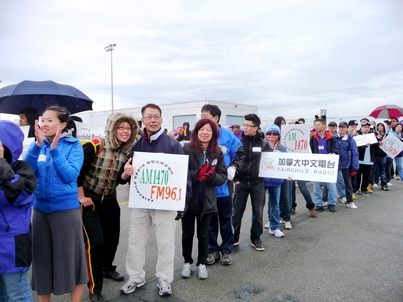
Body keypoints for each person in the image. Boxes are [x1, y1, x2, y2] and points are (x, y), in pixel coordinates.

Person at [120, 103, 191, 297]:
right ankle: (135, 276)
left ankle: (164, 278)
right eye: (149, 116)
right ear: (142, 119)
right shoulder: (135, 144)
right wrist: (126, 172)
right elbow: (123, 173)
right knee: (135, 241)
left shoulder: (172, 144)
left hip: (165, 203)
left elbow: (184, 176)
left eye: (156, 116)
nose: (153, 120)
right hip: (140, 202)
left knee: (166, 243)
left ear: (161, 119)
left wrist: (183, 201)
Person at [24, 106, 87, 302]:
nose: (44, 123)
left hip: (66, 212)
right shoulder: (38, 146)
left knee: (71, 260)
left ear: (62, 125)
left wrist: (55, 150)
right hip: (41, 211)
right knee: (42, 262)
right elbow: (27, 173)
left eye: (50, 120)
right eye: (43, 120)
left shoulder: (73, 145)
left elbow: (70, 175)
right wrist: (36, 146)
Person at [78, 113, 138, 301]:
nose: (125, 131)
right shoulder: (95, 145)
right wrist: (81, 197)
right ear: (112, 128)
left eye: (128, 128)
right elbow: (77, 173)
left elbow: (119, 180)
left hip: (110, 200)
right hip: (90, 201)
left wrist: (126, 174)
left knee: (112, 239)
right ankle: (94, 289)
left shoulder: (126, 151)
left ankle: (107, 268)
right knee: (95, 242)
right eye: (121, 127)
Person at [180, 118, 227, 280]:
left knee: (204, 234)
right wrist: (196, 174)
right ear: (196, 131)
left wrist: (211, 176)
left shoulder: (218, 152)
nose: (205, 132)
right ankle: (187, 262)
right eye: (202, 129)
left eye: (209, 130)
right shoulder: (186, 149)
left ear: (213, 133)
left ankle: (201, 263)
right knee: (187, 233)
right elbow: (180, 173)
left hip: (207, 200)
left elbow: (223, 176)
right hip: (188, 199)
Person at [200, 104, 244, 266]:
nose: (202, 119)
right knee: (209, 221)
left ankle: (226, 251)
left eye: (205, 115)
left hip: (225, 187)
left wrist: (233, 168)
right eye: (201, 115)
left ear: (215, 118)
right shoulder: (201, 134)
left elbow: (240, 154)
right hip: (206, 187)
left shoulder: (227, 135)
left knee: (226, 220)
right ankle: (212, 251)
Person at [0, 120, 37, 302]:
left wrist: (0, 163)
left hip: (13, 246)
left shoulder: (22, 170)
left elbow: (16, 194)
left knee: (17, 297)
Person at [233, 113, 270, 251]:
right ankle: (234, 236)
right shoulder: (238, 143)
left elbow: (272, 162)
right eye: (245, 125)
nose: (246, 128)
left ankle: (255, 238)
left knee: (258, 212)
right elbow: (232, 160)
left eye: (249, 125)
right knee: (237, 212)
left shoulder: (264, 144)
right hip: (241, 182)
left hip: (257, 183)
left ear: (256, 128)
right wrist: (235, 178)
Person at [309, 118, 342, 211]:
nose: (316, 127)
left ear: (324, 125)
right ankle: (318, 203)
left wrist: (334, 153)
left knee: (331, 185)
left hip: (328, 164)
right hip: (316, 164)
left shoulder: (331, 137)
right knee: (316, 185)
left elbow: (336, 149)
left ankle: (332, 203)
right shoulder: (313, 138)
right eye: (315, 125)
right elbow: (310, 150)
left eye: (318, 125)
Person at [263, 124, 286, 238]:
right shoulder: (262, 145)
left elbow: (286, 162)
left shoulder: (282, 147)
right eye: (269, 133)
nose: (271, 136)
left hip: (276, 179)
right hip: (262, 179)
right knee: (258, 205)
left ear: (278, 135)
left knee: (275, 204)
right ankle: (255, 230)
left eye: (275, 134)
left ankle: (275, 227)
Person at [333, 121, 359, 208]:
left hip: (346, 164)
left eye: (343, 127)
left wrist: (354, 167)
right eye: (340, 127)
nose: (341, 128)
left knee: (348, 184)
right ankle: (326, 200)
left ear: (347, 128)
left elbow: (355, 153)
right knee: (329, 183)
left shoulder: (350, 139)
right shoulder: (333, 137)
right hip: (334, 164)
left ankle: (350, 201)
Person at [273, 116, 293, 229]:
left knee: (286, 196)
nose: (282, 127)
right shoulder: (269, 143)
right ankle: (274, 218)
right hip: (274, 172)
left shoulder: (290, 136)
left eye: (284, 124)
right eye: (280, 124)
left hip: (287, 171)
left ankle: (287, 218)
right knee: (274, 197)